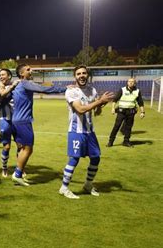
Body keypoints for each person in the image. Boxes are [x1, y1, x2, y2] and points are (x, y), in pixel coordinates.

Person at [59, 65, 114, 199]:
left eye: (84, 73)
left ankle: (88, 184)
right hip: (76, 131)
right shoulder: (72, 91)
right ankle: (64, 188)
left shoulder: (92, 90)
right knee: (74, 158)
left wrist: (101, 105)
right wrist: (99, 101)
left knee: (96, 157)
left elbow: (96, 112)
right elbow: (80, 109)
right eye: (78, 74)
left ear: (87, 75)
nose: (82, 75)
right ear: (75, 76)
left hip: (90, 131)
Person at [11, 64, 67, 186]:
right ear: (21, 74)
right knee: (28, 149)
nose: (31, 71)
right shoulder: (25, 83)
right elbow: (44, 90)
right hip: (23, 121)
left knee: (24, 149)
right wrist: (65, 89)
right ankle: (17, 174)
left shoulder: (19, 85)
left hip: (17, 120)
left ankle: (18, 174)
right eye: (28, 69)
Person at [0, 69, 19, 178]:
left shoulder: (16, 85)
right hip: (4, 119)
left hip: (17, 120)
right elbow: (3, 94)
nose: (1, 76)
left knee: (20, 145)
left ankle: (20, 168)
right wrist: (12, 86)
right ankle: (4, 168)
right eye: (0, 75)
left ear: (9, 76)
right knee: (7, 147)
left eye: (3, 75)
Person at [107, 78, 145, 148]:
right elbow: (115, 100)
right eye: (129, 81)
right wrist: (113, 108)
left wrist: (142, 112)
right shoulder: (122, 90)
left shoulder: (137, 91)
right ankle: (110, 141)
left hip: (131, 112)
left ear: (135, 83)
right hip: (121, 111)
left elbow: (140, 102)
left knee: (128, 127)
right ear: (127, 82)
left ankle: (126, 141)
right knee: (116, 126)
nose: (130, 83)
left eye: (132, 82)